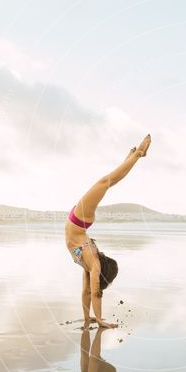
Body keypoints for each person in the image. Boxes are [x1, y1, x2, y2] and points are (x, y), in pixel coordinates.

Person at [65, 134, 151, 329]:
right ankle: (132, 157)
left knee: (106, 182)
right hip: (79, 223)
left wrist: (98, 320)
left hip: (79, 220)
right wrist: (92, 318)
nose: (101, 254)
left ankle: (137, 155)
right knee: (106, 183)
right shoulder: (89, 265)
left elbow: (92, 293)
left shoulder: (93, 266)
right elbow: (88, 292)